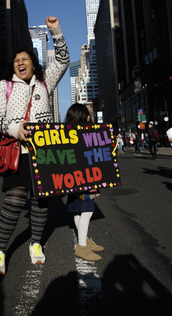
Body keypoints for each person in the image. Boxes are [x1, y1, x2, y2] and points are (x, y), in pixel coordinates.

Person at [0, 16, 69, 275]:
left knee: (40, 201)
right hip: (17, 152)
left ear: (34, 64)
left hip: (44, 153)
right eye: (16, 60)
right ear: (13, 66)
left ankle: (35, 244)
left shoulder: (46, 83)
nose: (20, 63)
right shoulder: (5, 86)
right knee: (14, 200)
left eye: (25, 59)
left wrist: (54, 30)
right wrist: (15, 129)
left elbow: (64, 60)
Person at [65, 103, 104, 262]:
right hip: (85, 181)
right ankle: (81, 246)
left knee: (77, 211)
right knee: (87, 211)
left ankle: (84, 239)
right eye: (87, 114)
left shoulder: (66, 135)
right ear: (83, 117)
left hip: (71, 182)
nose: (90, 116)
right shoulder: (86, 134)